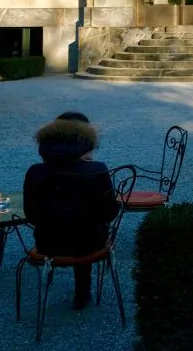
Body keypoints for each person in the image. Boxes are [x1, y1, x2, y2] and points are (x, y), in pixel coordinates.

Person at [22, 111, 120, 310]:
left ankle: (50, 279)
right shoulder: (97, 169)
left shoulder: (35, 172)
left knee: (71, 228)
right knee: (84, 230)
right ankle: (82, 293)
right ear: (85, 143)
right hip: (91, 244)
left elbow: (31, 215)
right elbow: (109, 213)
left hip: (47, 244)